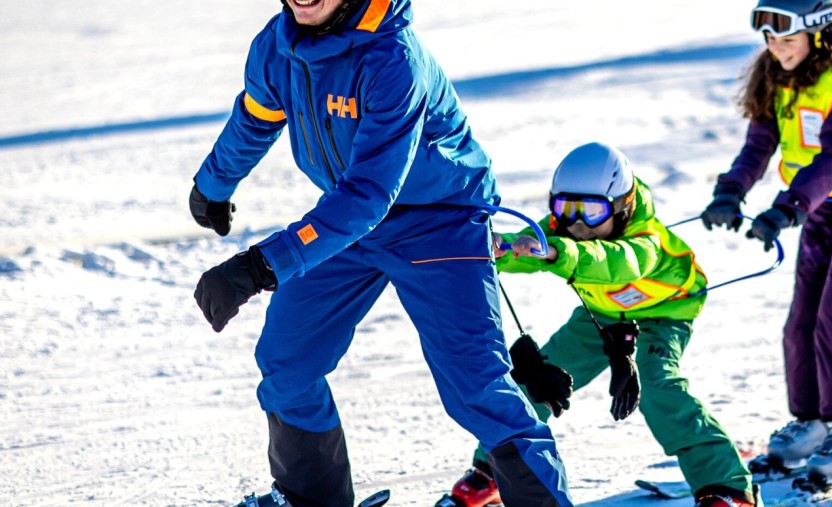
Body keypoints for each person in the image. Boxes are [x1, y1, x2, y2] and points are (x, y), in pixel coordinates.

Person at [187, 1, 572, 505]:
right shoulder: (278, 45)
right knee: (288, 362)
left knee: (478, 390)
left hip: (440, 222)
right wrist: (214, 183)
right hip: (347, 220)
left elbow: (369, 192)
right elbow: (256, 118)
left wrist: (261, 266)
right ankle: (311, 498)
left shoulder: (393, 58)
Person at [438, 143, 756, 507]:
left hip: (665, 313)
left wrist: (558, 252)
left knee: (658, 386)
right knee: (539, 376)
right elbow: (531, 246)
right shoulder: (568, 230)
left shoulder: (644, 240)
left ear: (622, 207)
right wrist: (500, 247)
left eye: (591, 211)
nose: (576, 223)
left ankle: (727, 486)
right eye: (565, 208)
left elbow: (616, 263)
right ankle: (493, 468)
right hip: (601, 314)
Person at [701, 0, 832, 483]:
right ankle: (814, 423)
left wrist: (787, 208)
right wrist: (729, 192)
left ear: (817, 34)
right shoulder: (777, 74)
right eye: (770, 39)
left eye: (787, 39)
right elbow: (760, 144)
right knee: (802, 319)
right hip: (819, 203)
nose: (776, 48)